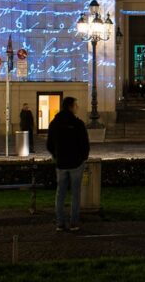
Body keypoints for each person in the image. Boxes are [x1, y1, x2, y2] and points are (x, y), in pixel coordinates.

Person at [47, 96, 90, 231]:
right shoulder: (78, 123)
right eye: (76, 105)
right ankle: (74, 223)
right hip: (76, 163)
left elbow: (49, 144)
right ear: (71, 106)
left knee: (60, 194)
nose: (77, 107)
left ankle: (60, 223)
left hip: (61, 164)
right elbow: (85, 143)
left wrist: (56, 155)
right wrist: (83, 157)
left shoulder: (54, 123)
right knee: (75, 194)